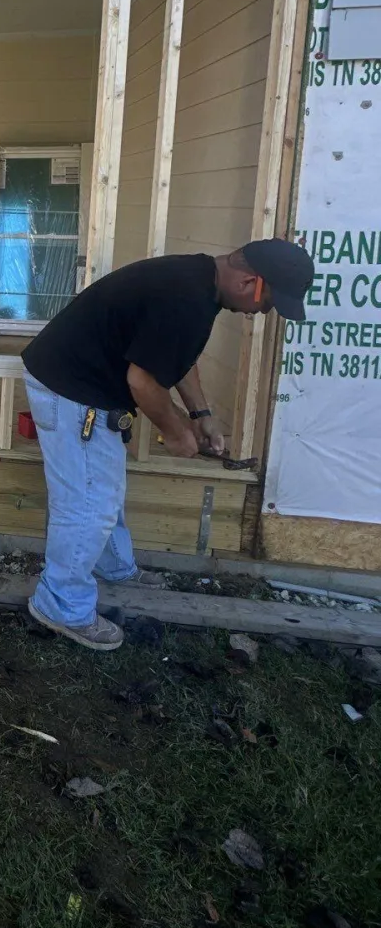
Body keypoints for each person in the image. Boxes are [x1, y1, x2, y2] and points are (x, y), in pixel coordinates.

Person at [20, 239, 314, 652]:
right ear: (251, 282)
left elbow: (175, 356)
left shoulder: (199, 281)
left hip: (84, 383)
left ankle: (113, 568)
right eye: (267, 304)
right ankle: (60, 605)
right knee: (87, 503)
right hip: (70, 387)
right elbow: (142, 382)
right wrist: (176, 432)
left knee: (102, 489)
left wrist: (200, 414)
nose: (260, 313)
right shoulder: (187, 298)